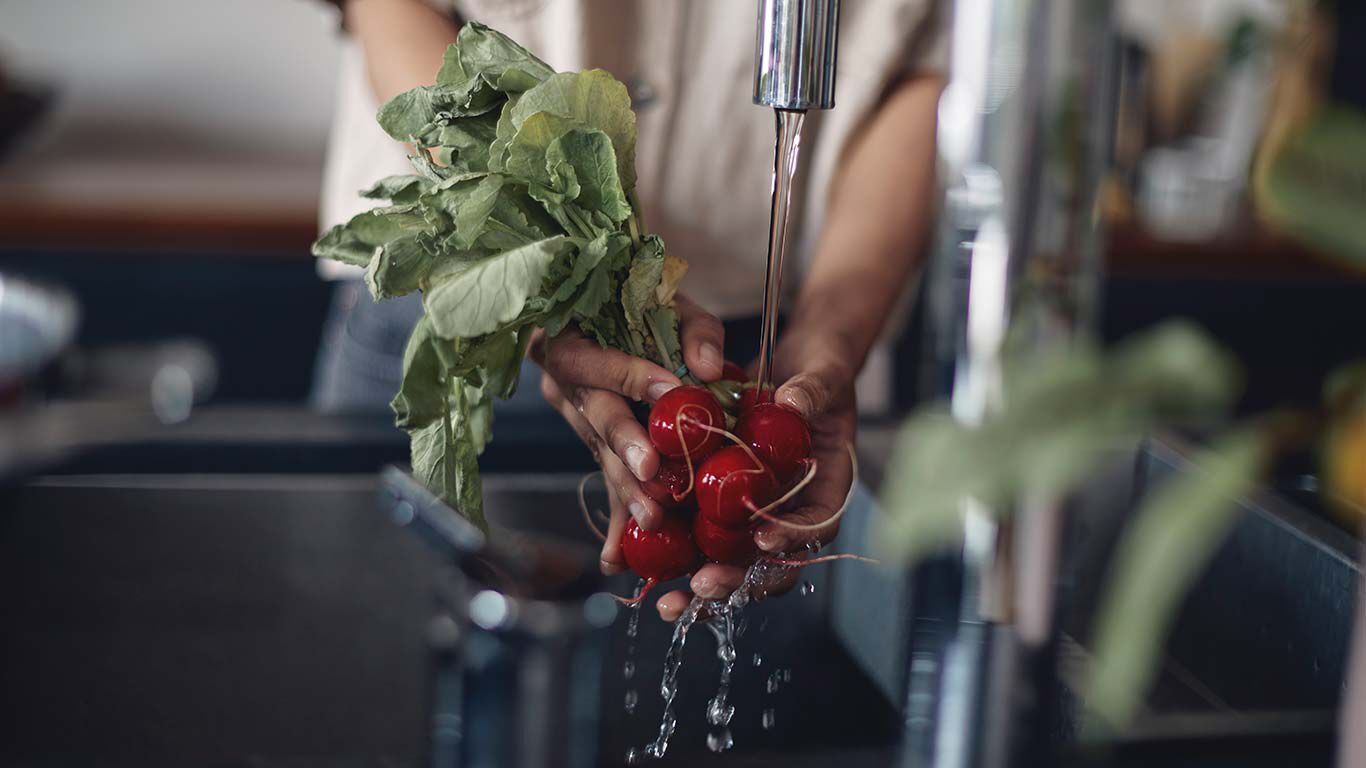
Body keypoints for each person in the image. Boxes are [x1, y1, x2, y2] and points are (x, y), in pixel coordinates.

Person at [313, 0, 944, 621]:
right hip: (466, 304)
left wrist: (834, 331)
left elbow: (920, 74)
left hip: (767, 341)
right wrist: (542, 287)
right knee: (380, 655)